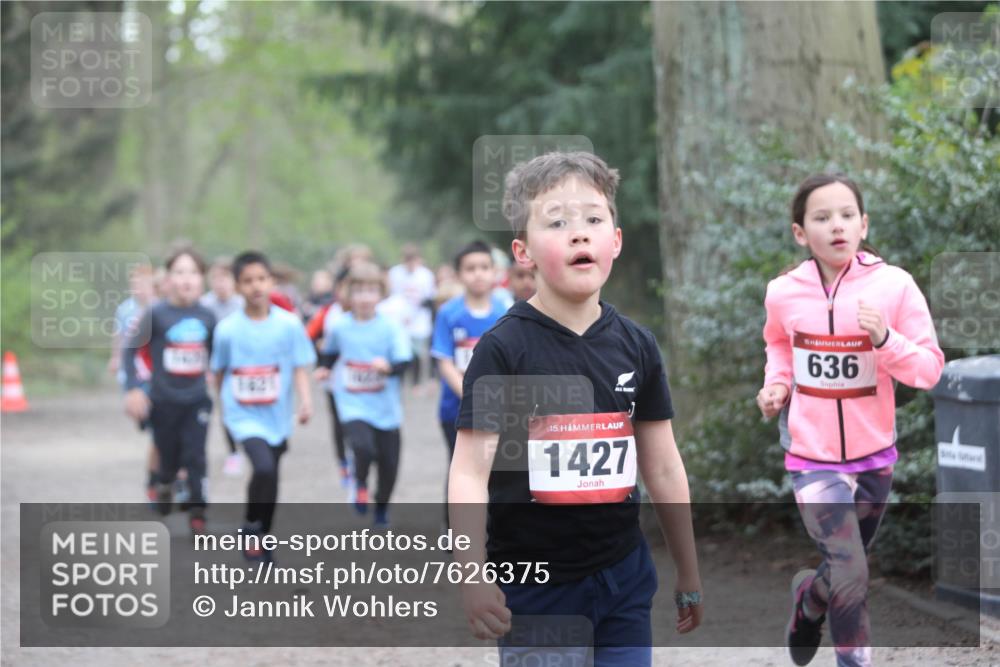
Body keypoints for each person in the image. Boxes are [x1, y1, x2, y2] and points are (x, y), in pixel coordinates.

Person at [449, 151, 703, 666]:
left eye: (593, 219)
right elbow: (470, 472)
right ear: (523, 252)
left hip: (622, 577)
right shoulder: (504, 349)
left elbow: (662, 465)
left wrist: (689, 571)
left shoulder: (637, 345)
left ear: (616, 240)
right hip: (534, 590)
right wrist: (472, 576)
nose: (579, 233)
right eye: (557, 222)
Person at [757, 173, 944, 667]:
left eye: (846, 216)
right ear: (801, 233)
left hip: (874, 456)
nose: (835, 226)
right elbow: (779, 343)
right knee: (851, 568)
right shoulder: (783, 293)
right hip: (812, 458)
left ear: (863, 225)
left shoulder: (895, 286)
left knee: (845, 570)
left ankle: (808, 601)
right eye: (821, 217)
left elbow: (928, 369)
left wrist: (886, 340)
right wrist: (778, 384)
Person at [210, 251, 315, 563]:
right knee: (264, 467)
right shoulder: (227, 329)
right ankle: (254, 531)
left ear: (271, 282)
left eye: (261, 279)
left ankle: (258, 530)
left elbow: (298, 366)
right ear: (238, 286)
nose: (255, 286)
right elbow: (218, 373)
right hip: (242, 414)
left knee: (270, 474)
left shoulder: (288, 325)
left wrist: (306, 400)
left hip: (278, 414)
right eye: (248, 281)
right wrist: (224, 408)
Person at [123, 247, 216, 536]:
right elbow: (131, 352)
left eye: (193, 273)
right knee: (169, 458)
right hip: (163, 400)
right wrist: (135, 389)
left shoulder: (208, 316)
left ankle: (198, 514)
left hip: (197, 399)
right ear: (169, 279)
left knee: (196, 456)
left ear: (202, 279)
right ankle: (162, 483)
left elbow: (216, 354)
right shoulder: (156, 314)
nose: (186, 279)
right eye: (180, 272)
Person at [315, 262, 412, 528]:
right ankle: (358, 482)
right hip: (352, 402)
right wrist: (324, 368)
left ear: (380, 294)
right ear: (348, 295)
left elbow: (405, 361)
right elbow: (331, 352)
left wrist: (388, 367)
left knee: (389, 466)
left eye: (370, 291)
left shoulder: (390, 328)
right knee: (361, 446)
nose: (364, 298)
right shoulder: (341, 326)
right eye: (358, 291)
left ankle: (381, 506)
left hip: (386, 408)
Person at [430, 241, 509, 516]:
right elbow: (443, 360)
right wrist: (472, 396)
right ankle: (453, 529)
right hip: (456, 410)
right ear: (459, 274)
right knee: (460, 468)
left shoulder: (505, 311)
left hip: (499, 411)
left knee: (496, 471)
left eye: (484, 267)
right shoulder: (448, 313)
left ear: (495, 272)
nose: (478, 274)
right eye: (471, 268)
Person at [109, 264, 159, 502]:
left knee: (160, 430)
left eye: (143, 284)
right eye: (134, 285)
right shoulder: (125, 309)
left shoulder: (159, 307)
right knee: (153, 426)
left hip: (155, 376)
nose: (138, 289)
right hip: (133, 374)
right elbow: (119, 336)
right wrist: (115, 357)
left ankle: (167, 476)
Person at [200, 257, 246, 477]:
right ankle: (233, 453)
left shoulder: (243, 304)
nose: (220, 283)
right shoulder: (204, 305)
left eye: (225, 278)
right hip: (218, 368)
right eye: (215, 278)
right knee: (226, 408)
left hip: (245, 367)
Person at [388, 244, 436, 388]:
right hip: (399, 318)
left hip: (419, 319)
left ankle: (416, 382)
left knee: (417, 352)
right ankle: (400, 379)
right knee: (400, 349)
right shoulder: (395, 273)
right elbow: (393, 296)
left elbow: (429, 298)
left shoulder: (425, 275)